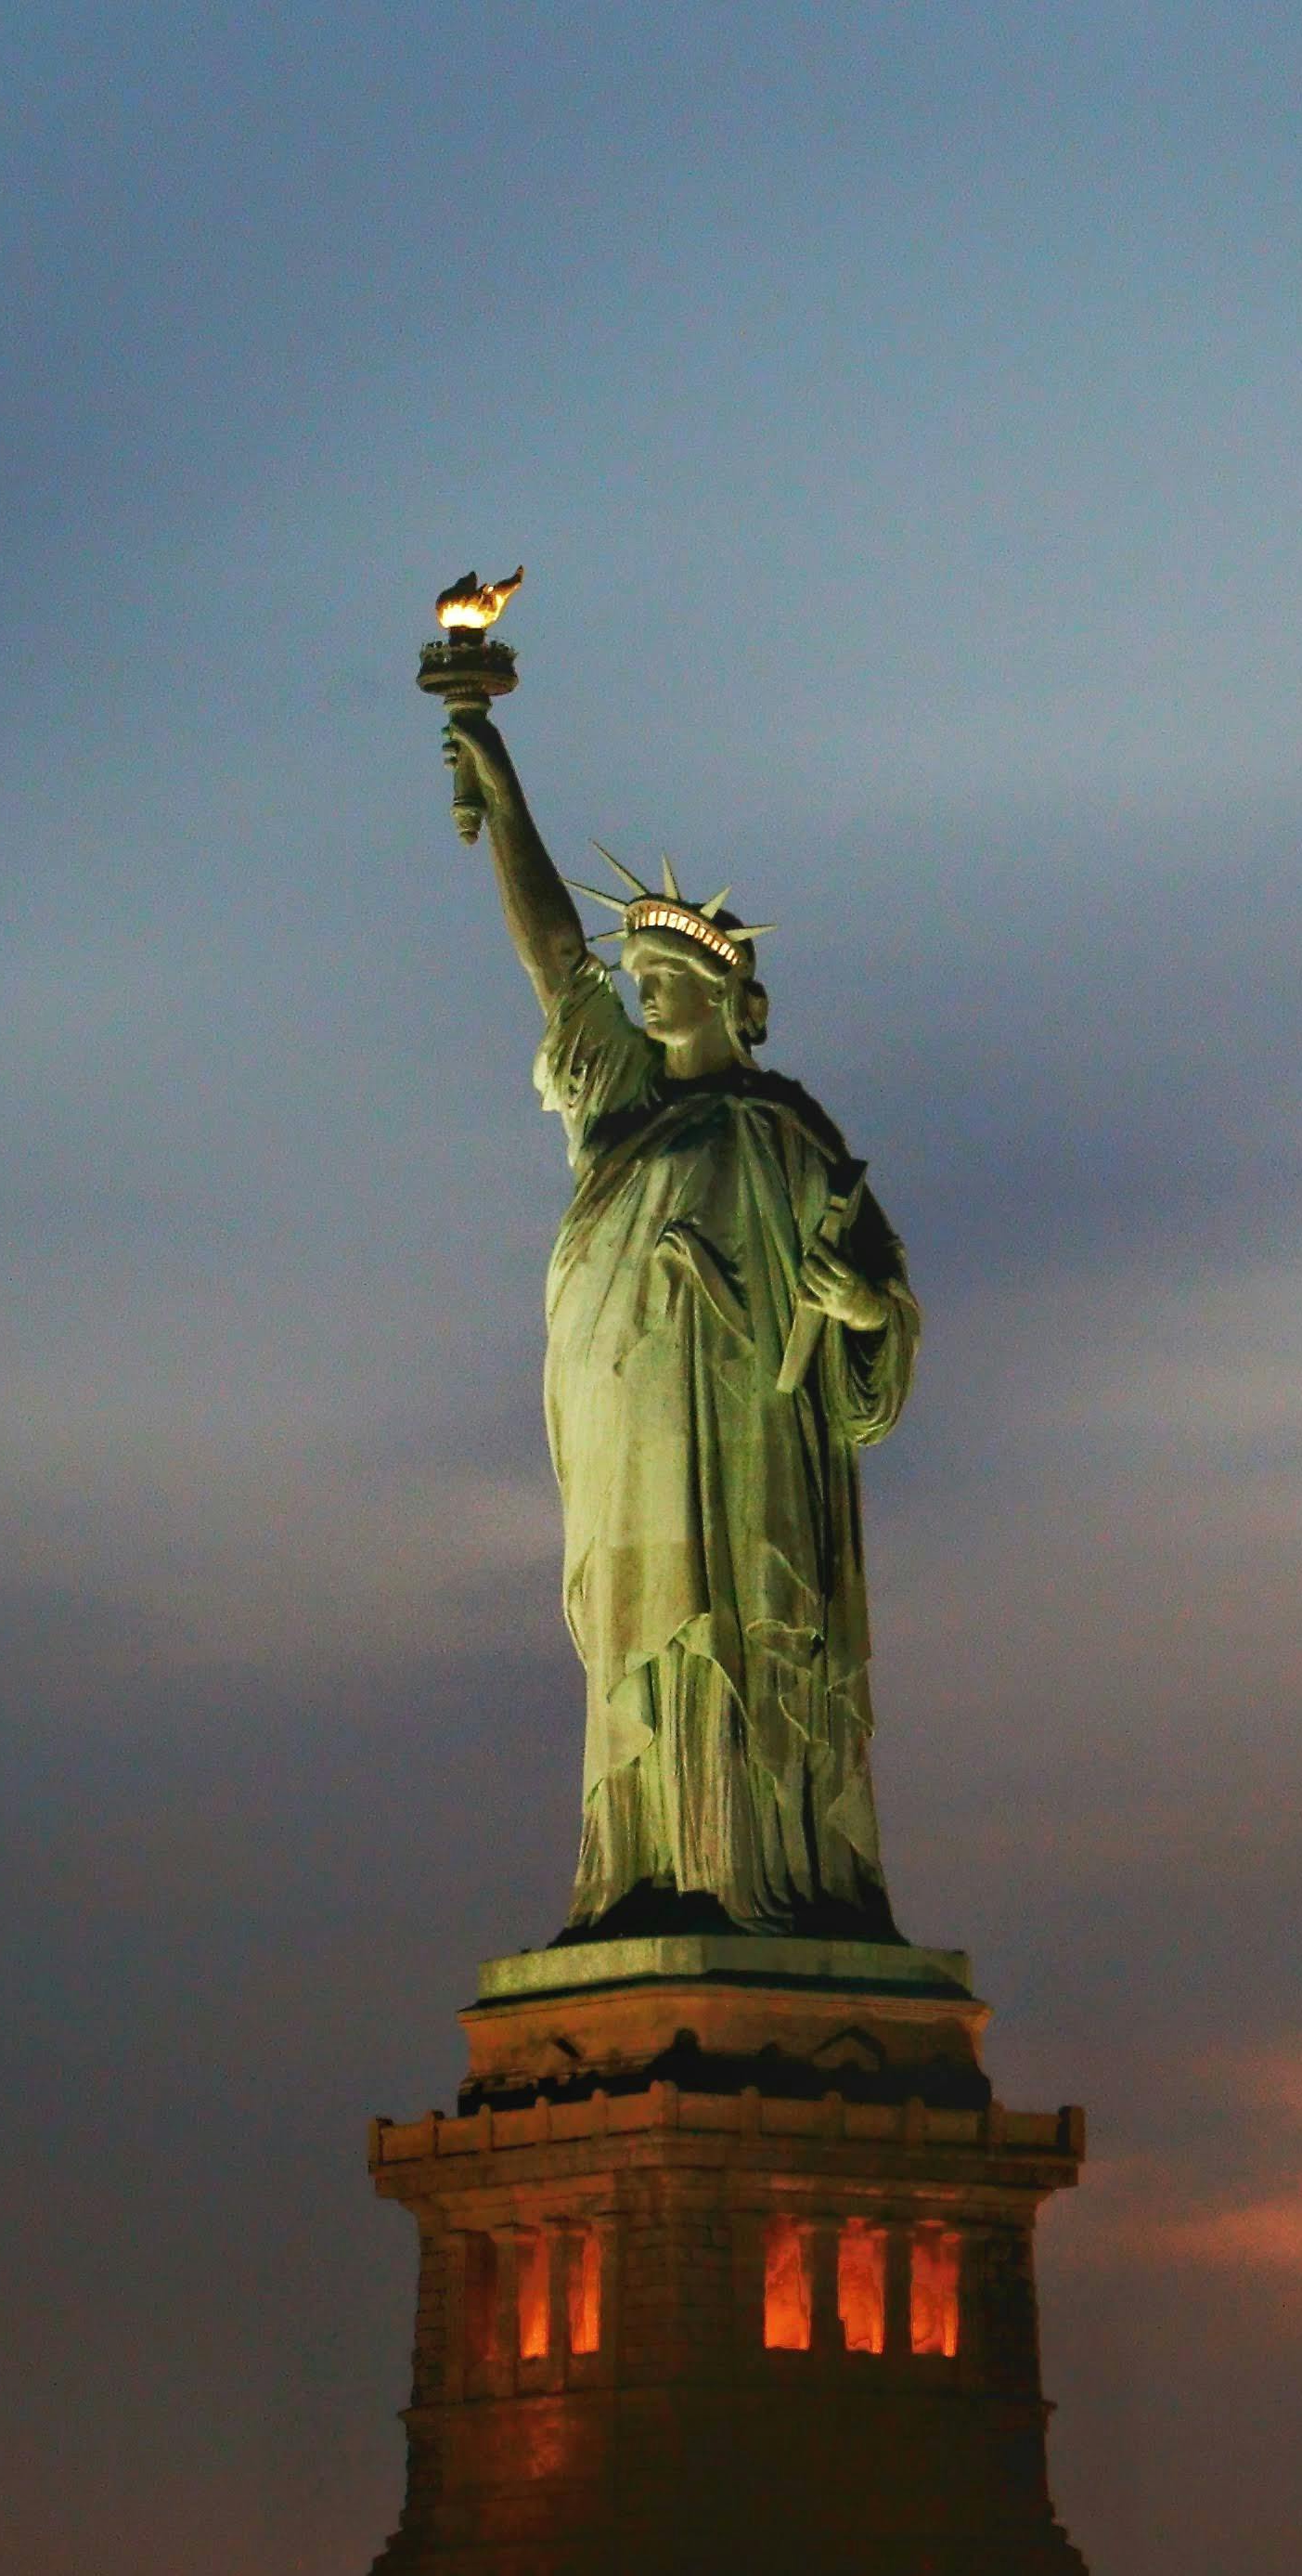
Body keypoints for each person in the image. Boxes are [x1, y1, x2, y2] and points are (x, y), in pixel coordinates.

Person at [445, 705, 920, 1941]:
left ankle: (768, 1870)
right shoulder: (618, 1110)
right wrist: (499, 780)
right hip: (632, 1420)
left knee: (756, 1635)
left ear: (731, 997)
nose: (647, 998)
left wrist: (861, 1308)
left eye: (671, 982)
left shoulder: (791, 1140)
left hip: (759, 1434)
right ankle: (649, 1868)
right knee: (647, 1640)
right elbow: (555, 956)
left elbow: (881, 1314)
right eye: (641, 981)